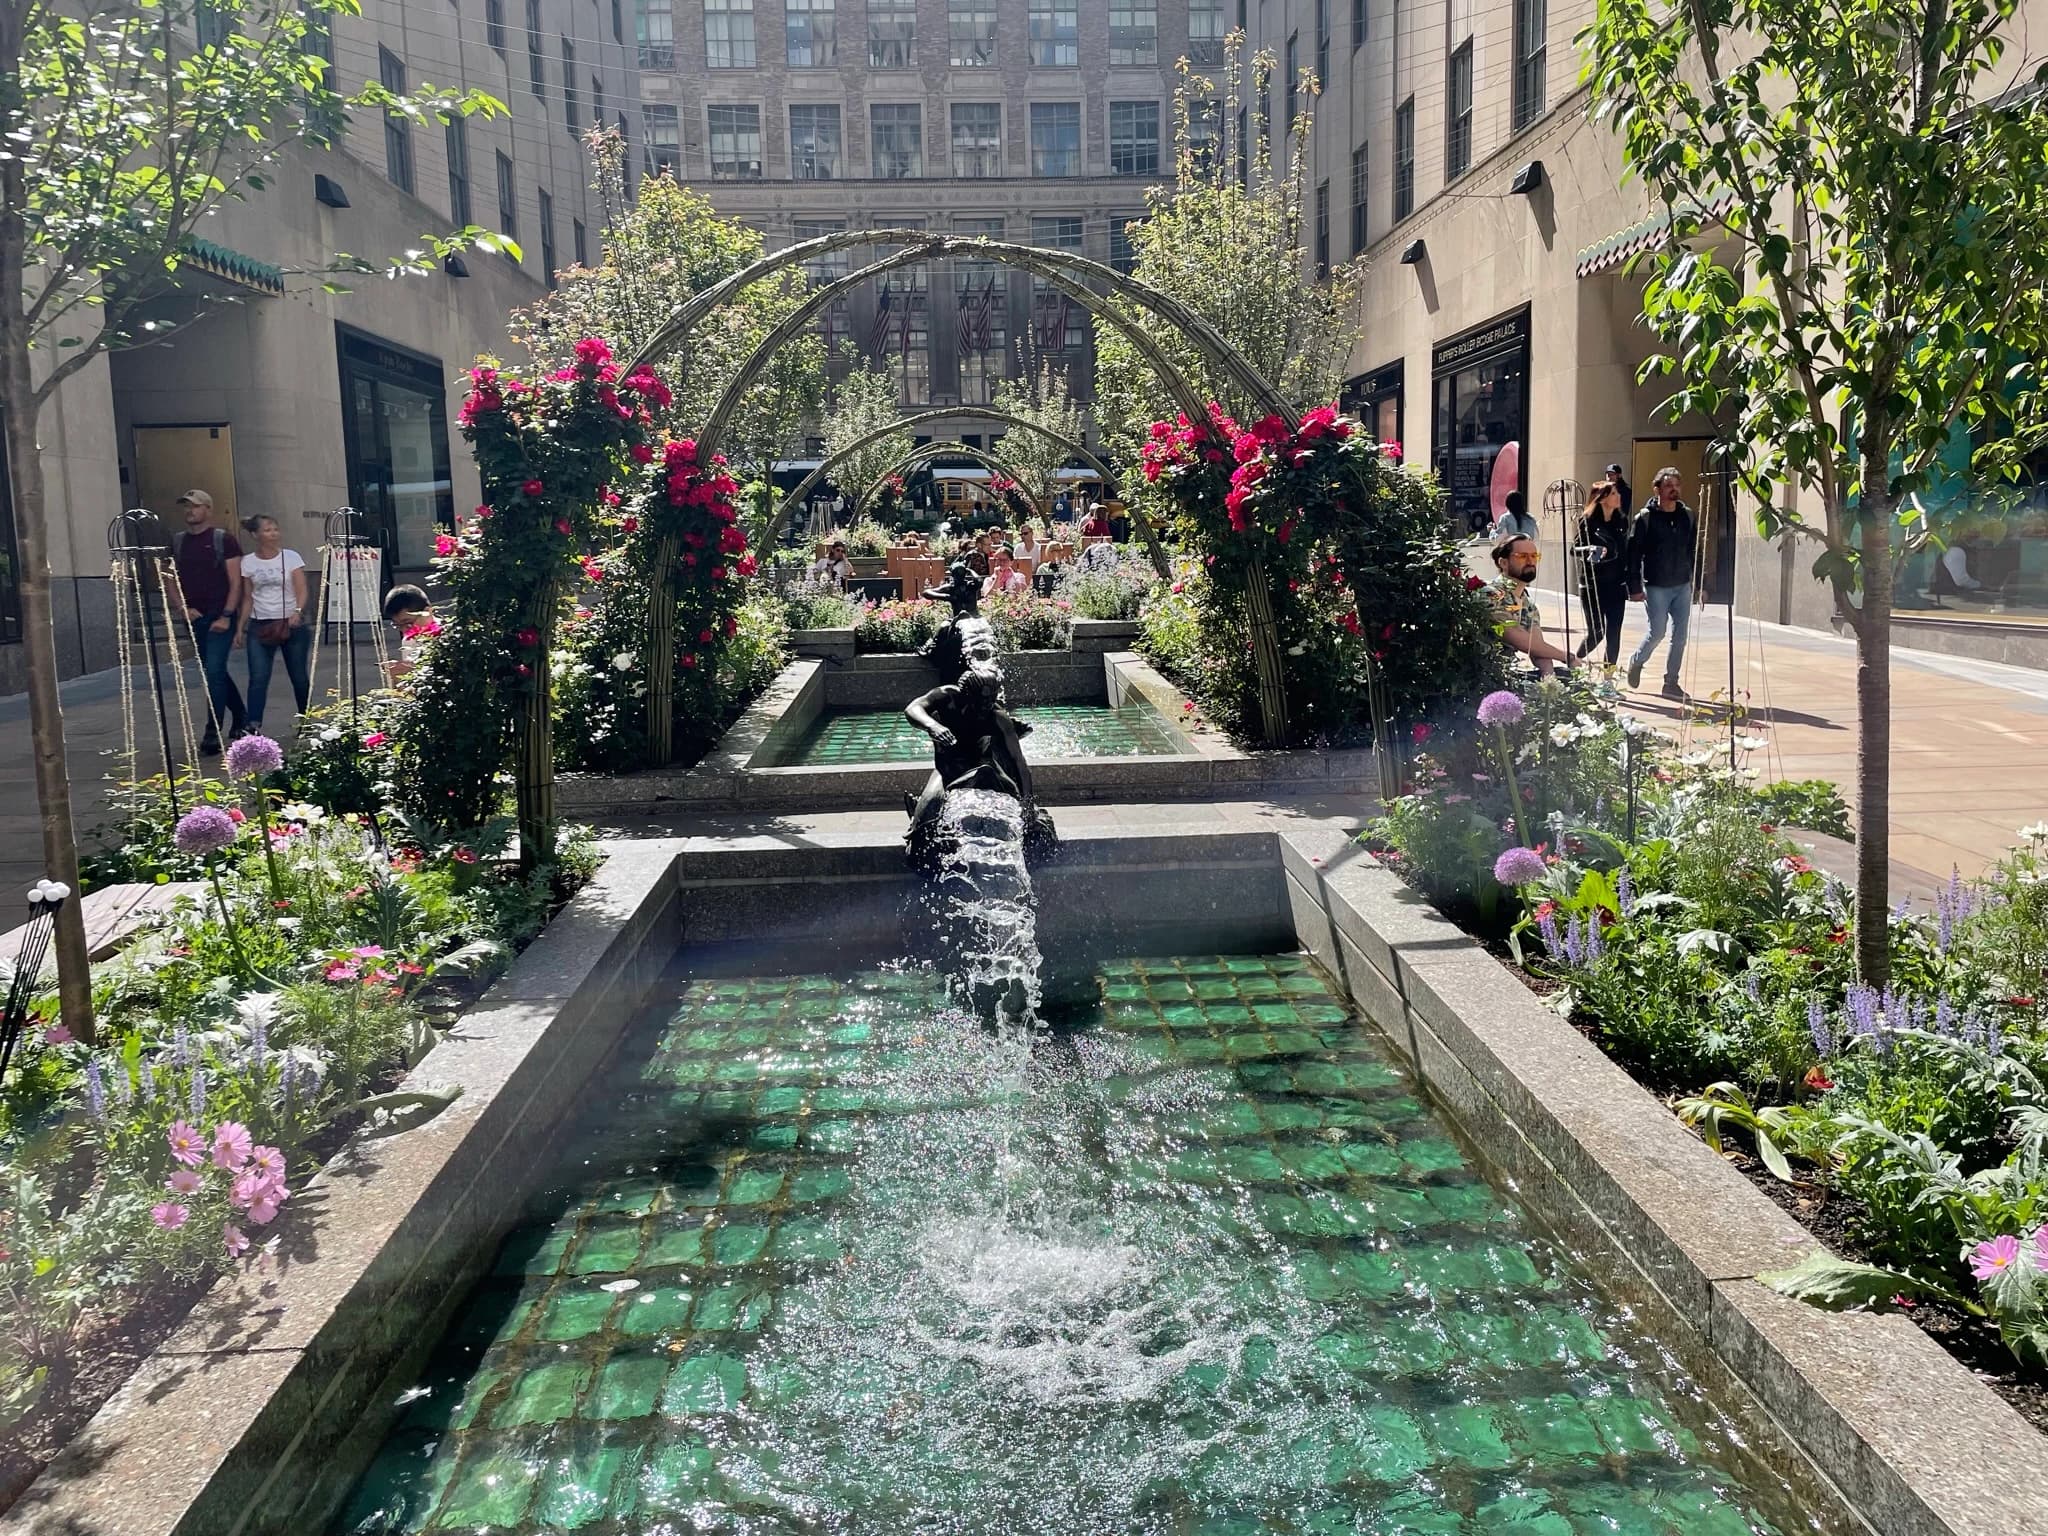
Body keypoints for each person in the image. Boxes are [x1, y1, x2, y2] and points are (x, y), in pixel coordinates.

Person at [170, 489, 246, 754]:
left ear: (207, 509)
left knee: (213, 671)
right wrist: (182, 608)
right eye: (186, 507)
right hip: (194, 618)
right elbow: (168, 578)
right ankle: (241, 716)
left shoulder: (223, 540)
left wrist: (227, 616)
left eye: (195, 506)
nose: (190, 511)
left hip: (219, 617)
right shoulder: (178, 542)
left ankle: (212, 730)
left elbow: (236, 581)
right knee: (214, 672)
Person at [235, 514, 312, 734]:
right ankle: (253, 724)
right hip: (260, 624)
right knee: (258, 677)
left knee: (299, 676)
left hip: (290, 622)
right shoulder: (248, 562)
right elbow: (248, 597)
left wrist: (298, 611)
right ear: (255, 535)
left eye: (275, 529)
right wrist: (241, 627)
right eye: (268, 530)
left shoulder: (291, 557)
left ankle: (306, 720)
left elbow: (301, 588)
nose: (273, 534)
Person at [1624, 466, 1697, 700]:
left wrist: (1700, 583)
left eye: (1676, 485)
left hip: (1682, 584)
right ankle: (1637, 661)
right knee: (1657, 632)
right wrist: (1634, 588)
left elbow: (1694, 550)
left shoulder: (1687, 515)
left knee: (1681, 636)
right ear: (1657, 489)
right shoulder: (1645, 518)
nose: (1673, 489)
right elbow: (1633, 555)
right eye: (1668, 486)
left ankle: (1671, 682)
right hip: (1656, 585)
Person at [1486, 534, 1573, 677]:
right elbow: (1520, 639)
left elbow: (1537, 647)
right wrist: (1567, 657)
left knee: (1566, 678)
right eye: (1522, 556)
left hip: (1507, 675)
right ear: (1503, 563)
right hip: (1484, 677)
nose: (1530, 561)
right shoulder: (1492, 595)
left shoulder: (1528, 604)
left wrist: (1549, 679)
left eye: (1534, 556)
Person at [1572, 479, 1631, 666]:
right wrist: (1590, 549)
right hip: (1592, 584)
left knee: (1614, 634)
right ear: (1602, 498)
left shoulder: (1621, 521)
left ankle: (1608, 679)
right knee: (1597, 632)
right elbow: (1574, 549)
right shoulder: (1588, 521)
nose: (1618, 496)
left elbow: (1624, 551)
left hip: (1616, 584)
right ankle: (1574, 661)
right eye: (1613, 493)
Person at [382, 583, 434, 681]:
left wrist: (412, 671)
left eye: (408, 623)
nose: (404, 630)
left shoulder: (450, 636)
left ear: (428, 611)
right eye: (397, 625)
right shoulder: (408, 641)